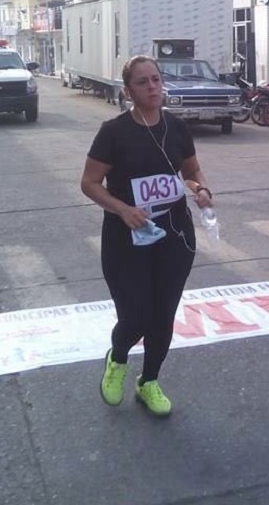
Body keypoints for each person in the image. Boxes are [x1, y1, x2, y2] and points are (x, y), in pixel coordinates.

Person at [80, 55, 214, 418]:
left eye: (156, 79)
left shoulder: (176, 126)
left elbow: (192, 169)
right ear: (129, 90)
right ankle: (118, 359)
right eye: (143, 82)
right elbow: (89, 184)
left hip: (174, 237)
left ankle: (149, 381)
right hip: (127, 240)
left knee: (162, 316)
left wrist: (201, 189)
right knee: (136, 316)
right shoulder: (114, 132)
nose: (153, 87)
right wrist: (122, 210)